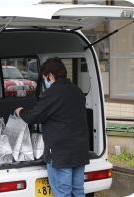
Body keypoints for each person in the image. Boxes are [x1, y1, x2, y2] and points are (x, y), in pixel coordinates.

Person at [15, 57, 89, 197]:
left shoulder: (51, 94)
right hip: (80, 149)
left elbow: (34, 116)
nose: (45, 81)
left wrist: (20, 111)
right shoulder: (77, 91)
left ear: (50, 75)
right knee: (78, 191)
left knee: (63, 193)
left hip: (61, 153)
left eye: (44, 78)